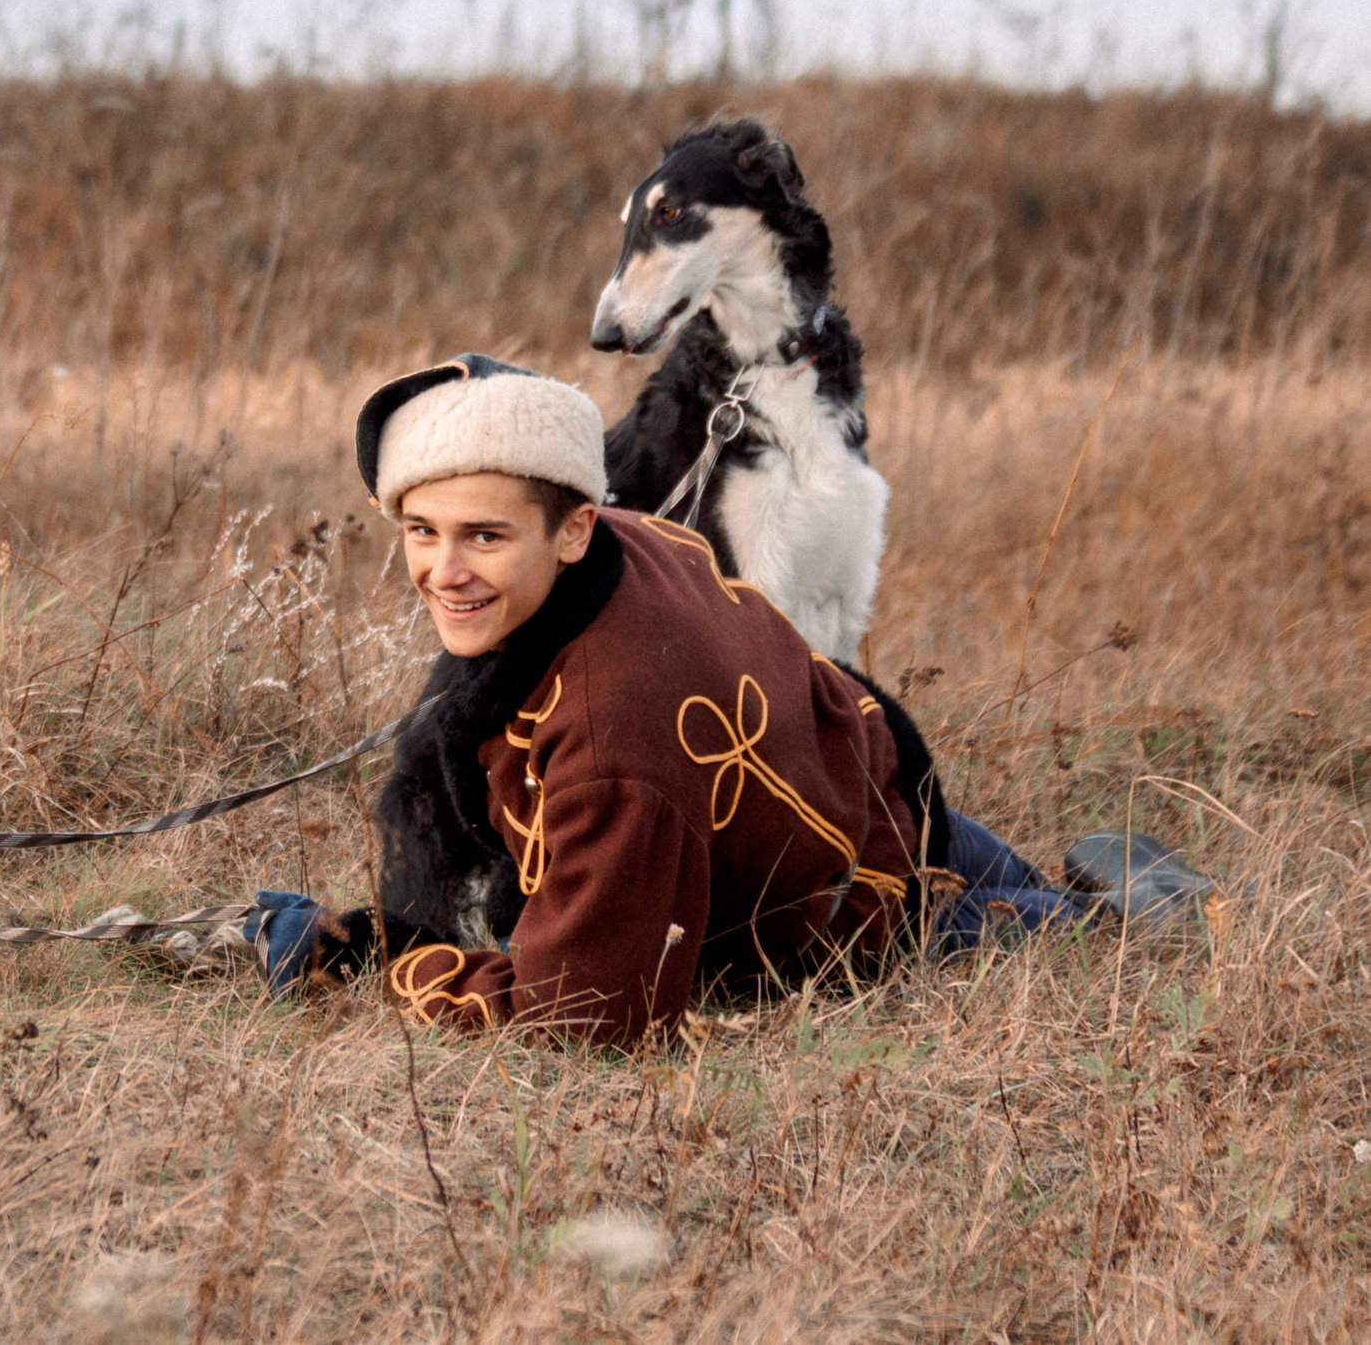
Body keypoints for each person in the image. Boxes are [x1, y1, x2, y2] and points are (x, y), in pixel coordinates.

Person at [245, 354, 1213, 1048]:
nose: (442, 569)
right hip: (871, 771)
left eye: (484, 537)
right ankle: (1087, 892)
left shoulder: (612, 739)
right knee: (982, 869)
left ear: (574, 527)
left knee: (1007, 929)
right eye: (421, 528)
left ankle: (1141, 920)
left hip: (828, 899)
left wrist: (385, 957)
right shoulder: (630, 538)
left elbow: (588, 1014)